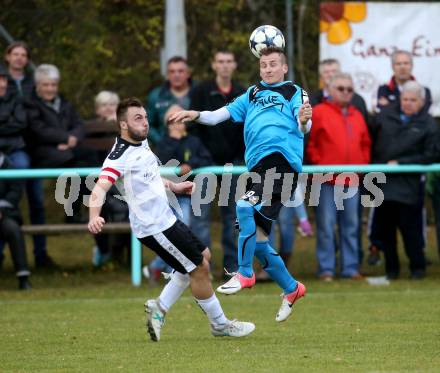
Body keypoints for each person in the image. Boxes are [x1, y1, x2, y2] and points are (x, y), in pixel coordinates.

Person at [88, 97, 255, 341]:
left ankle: (160, 307)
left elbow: (150, 177)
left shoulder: (142, 143)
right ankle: (220, 324)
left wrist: (175, 188)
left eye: (145, 117)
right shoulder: (118, 156)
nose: (145, 123)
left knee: (202, 258)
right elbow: (99, 189)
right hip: (154, 227)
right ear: (123, 125)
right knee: (199, 268)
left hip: (166, 219)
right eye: (138, 118)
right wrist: (94, 216)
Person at [170, 47, 310, 322]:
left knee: (243, 205)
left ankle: (245, 273)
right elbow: (217, 115)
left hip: (281, 162)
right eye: (264, 65)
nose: (268, 69)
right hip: (258, 168)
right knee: (257, 240)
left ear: (284, 68)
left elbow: (304, 124)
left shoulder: (294, 91)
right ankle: (292, 289)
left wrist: (304, 122)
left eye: (273, 64)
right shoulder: (252, 94)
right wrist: (195, 114)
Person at [306, 73, 371, 281]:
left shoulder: (357, 115)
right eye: (341, 88)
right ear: (330, 90)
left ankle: (350, 268)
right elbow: (310, 143)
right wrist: (319, 165)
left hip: (352, 180)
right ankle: (326, 268)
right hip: (325, 181)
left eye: (349, 89)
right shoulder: (319, 112)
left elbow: (365, 144)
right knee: (326, 225)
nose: (345, 92)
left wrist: (361, 167)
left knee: (351, 226)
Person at [371, 81, 438, 279]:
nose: (408, 103)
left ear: (422, 101)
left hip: (409, 187)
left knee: (412, 232)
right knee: (386, 232)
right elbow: (371, 143)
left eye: (412, 100)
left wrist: (402, 162)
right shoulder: (383, 117)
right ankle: (391, 270)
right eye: (405, 99)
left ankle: (418, 268)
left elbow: (433, 154)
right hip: (382, 184)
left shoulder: (429, 124)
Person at [188, 50, 245, 273]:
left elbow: (247, 129)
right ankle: (203, 267)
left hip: (235, 165)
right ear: (213, 65)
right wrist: (201, 158)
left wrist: (240, 158)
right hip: (205, 166)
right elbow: (192, 129)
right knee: (200, 218)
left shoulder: (243, 93)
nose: (224, 65)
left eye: (228, 61)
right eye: (220, 61)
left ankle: (232, 268)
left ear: (234, 65)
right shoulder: (200, 92)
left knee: (233, 218)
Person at [146, 104, 213, 282]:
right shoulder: (163, 143)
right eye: (173, 120)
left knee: (183, 228)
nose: (177, 124)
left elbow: (205, 157)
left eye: (180, 119)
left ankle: (159, 267)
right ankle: (168, 269)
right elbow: (163, 163)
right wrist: (177, 165)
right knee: (177, 229)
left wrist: (190, 165)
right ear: (168, 124)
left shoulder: (193, 141)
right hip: (167, 193)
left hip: (186, 194)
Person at [145, 56, 194, 146]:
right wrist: (161, 142)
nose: (176, 75)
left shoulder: (199, 92)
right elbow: (148, 124)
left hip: (195, 149)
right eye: (172, 71)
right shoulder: (156, 96)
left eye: (180, 71)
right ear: (167, 75)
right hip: (165, 150)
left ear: (188, 73)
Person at [0, 152, 31, 290]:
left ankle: (23, 278)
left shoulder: (5, 162)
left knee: (13, 230)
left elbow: (15, 190)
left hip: (5, 214)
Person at [310, 58, 368, 124]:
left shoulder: (357, 100)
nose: (330, 75)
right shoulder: (312, 100)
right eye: (326, 72)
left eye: (334, 71)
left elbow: (363, 126)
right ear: (321, 76)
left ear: (340, 74)